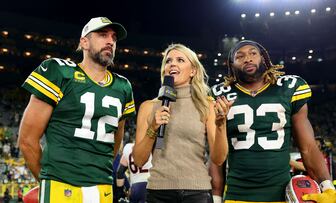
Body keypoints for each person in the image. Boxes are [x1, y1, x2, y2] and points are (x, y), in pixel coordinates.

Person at [18, 17, 135, 203]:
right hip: (60, 184)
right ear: (84, 42)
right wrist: (49, 179)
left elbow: (115, 142)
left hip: (102, 186)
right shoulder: (58, 72)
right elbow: (27, 140)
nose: (110, 41)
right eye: (103, 35)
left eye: (113, 37)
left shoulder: (123, 87)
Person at [210, 40, 336, 203]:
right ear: (231, 64)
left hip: (280, 195)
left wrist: (327, 186)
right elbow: (217, 158)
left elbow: (308, 147)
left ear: (263, 58)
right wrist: (216, 197)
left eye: (253, 53)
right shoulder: (219, 95)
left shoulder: (289, 87)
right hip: (237, 196)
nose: (247, 58)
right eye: (240, 56)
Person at [132, 43, 233, 203]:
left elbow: (219, 158)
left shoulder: (207, 105)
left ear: (193, 71)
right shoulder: (149, 107)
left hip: (197, 192)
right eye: (168, 61)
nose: (172, 63)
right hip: (158, 191)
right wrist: (153, 128)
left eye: (180, 60)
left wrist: (221, 125)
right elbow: (138, 160)